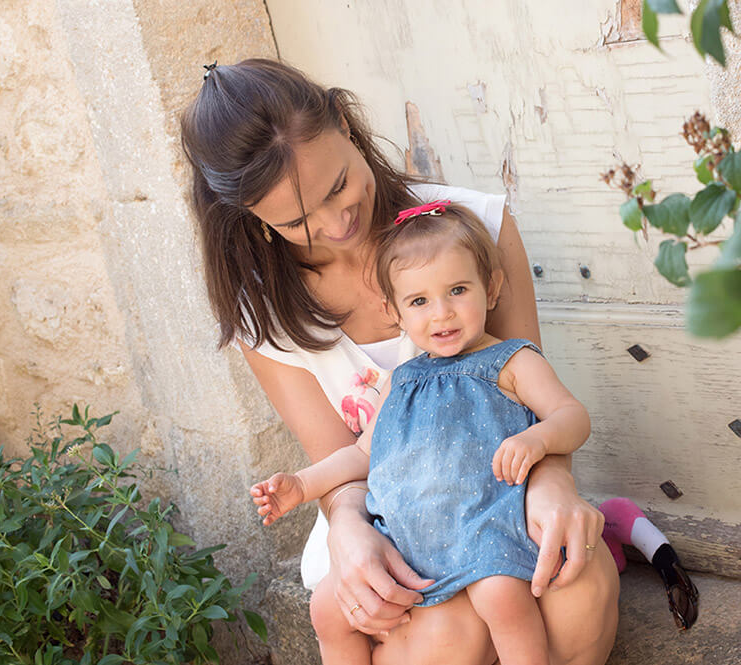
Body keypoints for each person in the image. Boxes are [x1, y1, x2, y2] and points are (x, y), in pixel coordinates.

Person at [180, 58, 619, 665]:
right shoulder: (263, 311)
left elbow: (528, 393)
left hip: (495, 493)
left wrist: (552, 485)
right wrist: (349, 532)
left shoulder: (471, 229)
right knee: (445, 637)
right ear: (251, 218)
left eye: (337, 186)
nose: (336, 224)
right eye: (296, 221)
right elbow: (342, 464)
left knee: (575, 587)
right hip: (380, 514)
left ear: (344, 121)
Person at [251, 201, 592, 665]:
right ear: (395, 311)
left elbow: (572, 416)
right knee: (327, 608)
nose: (442, 314)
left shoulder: (510, 362)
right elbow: (361, 455)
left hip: (481, 525)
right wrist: (304, 484)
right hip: (404, 537)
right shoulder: (403, 380)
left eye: (457, 290)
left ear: (490, 288)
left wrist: (539, 439)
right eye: (419, 301)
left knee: (502, 598)